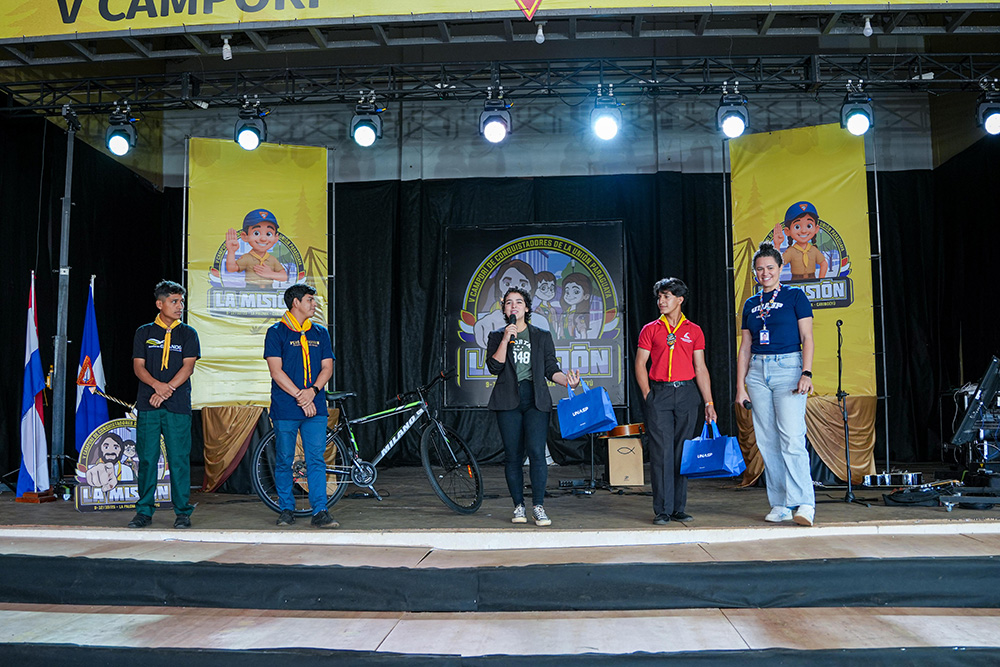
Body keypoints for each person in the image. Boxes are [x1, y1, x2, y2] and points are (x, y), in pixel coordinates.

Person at [735, 241, 816, 526]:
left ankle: (804, 503)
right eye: (760, 269)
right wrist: (740, 386)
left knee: (792, 437)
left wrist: (806, 373)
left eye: (770, 267)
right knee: (767, 440)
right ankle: (780, 504)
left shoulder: (795, 296)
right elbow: (745, 347)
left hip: (788, 368)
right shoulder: (751, 303)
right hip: (758, 372)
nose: (765, 273)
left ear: (781, 268)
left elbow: (807, 338)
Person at [487, 286, 580, 526]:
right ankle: (518, 506)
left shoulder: (541, 335)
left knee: (537, 452)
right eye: (509, 302)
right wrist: (506, 339)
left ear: (527, 308)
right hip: (508, 400)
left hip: (535, 400)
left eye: (519, 302)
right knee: (513, 455)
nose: (514, 306)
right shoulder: (496, 336)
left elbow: (551, 368)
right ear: (504, 309)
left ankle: (538, 506)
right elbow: (494, 367)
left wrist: (567, 381)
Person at [635, 278, 717, 525]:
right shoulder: (650, 329)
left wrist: (709, 403)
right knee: (661, 452)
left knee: (683, 451)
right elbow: (640, 364)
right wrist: (648, 394)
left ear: (680, 299)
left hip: (686, 394)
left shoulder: (694, 330)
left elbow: (700, 368)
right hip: (660, 393)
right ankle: (662, 509)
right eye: (659, 297)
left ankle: (678, 508)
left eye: (667, 296)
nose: (661, 301)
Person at [264, 283, 337, 528]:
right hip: (286, 406)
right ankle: (286, 508)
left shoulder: (320, 332)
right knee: (285, 458)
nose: (314, 304)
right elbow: (276, 371)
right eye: (309, 300)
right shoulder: (276, 332)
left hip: (315, 406)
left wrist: (312, 392)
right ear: (295, 303)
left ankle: (320, 511)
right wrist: (300, 396)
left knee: (316, 458)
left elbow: (327, 367)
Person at [128, 280, 200, 529]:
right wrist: (157, 386)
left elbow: (188, 367)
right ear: (160, 304)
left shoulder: (188, 333)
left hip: (177, 405)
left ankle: (182, 512)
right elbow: (139, 367)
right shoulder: (144, 332)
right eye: (174, 301)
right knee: (147, 459)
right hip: (149, 405)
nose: (180, 306)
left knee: (178, 459)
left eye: (181, 301)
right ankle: (144, 512)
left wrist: (166, 389)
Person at [225, 208, 289, 289]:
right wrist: (231, 251)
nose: (263, 238)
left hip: (269, 291)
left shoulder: (272, 259)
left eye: (268, 234)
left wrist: (270, 274)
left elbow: (284, 277)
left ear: (276, 238)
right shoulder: (247, 258)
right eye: (256, 233)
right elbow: (231, 268)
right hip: (250, 291)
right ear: (245, 236)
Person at [773, 201, 828, 281]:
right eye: (797, 227)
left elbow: (824, 264)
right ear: (787, 231)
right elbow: (777, 264)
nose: (804, 231)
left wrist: (820, 282)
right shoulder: (791, 251)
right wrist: (777, 245)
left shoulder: (813, 250)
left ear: (816, 229)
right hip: (796, 282)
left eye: (809, 226)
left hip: (812, 281)